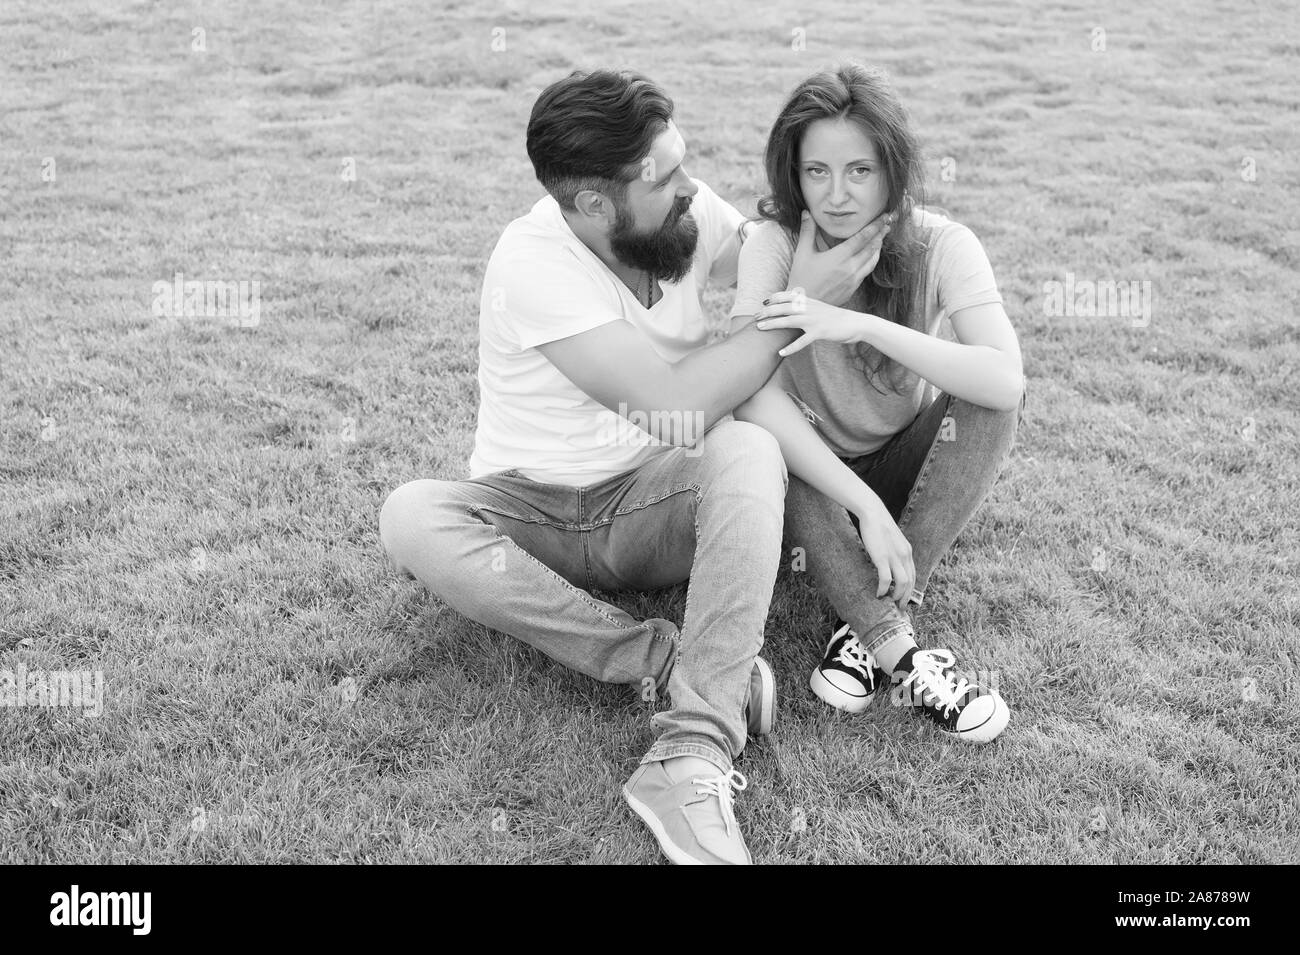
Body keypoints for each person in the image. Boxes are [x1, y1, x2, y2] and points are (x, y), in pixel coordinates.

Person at [378, 68, 888, 864]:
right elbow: (672, 406)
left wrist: (816, 266)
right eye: (664, 176)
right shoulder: (533, 262)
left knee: (749, 447)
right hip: (533, 513)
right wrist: (794, 307)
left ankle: (691, 752)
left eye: (681, 162)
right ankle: (657, 656)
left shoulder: (678, 217)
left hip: (655, 502)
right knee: (411, 514)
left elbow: (759, 244)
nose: (691, 187)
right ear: (590, 205)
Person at [726, 63, 1025, 743]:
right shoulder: (772, 245)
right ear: (792, 175)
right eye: (817, 172)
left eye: (859, 171)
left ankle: (871, 608)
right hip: (808, 481)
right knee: (763, 439)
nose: (836, 195)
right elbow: (749, 398)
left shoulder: (943, 244)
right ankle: (893, 644)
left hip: (899, 462)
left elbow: (1006, 382)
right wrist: (862, 507)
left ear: (893, 169)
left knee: (986, 397)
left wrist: (856, 323)